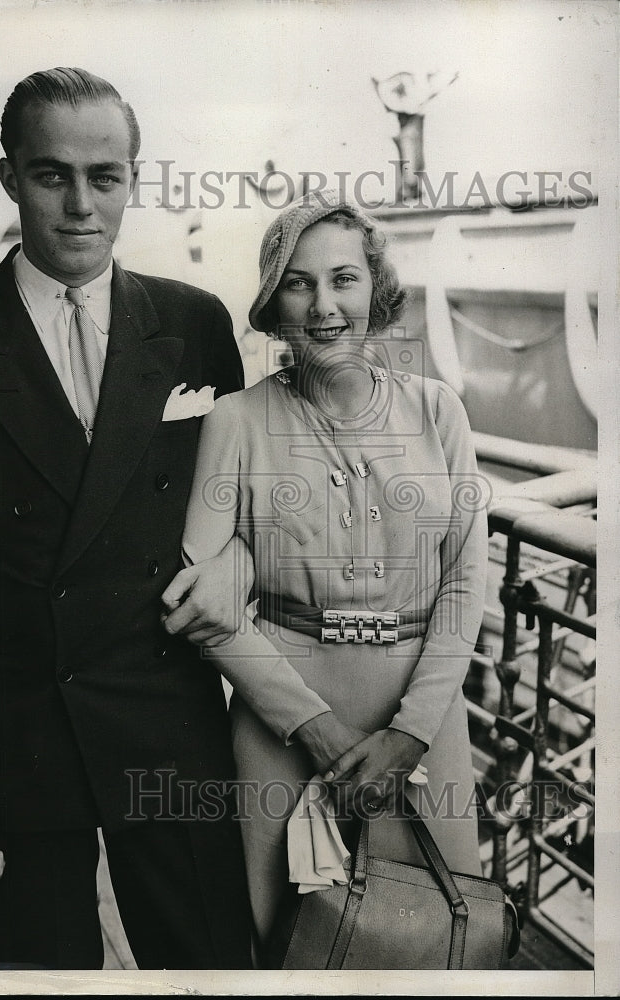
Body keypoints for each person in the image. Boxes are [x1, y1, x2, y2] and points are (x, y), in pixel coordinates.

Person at [0, 67, 254, 971]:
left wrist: (233, 567)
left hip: (169, 724)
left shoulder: (194, 322)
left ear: (133, 179)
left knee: (211, 971)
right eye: (52, 175)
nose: (81, 205)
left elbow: (242, 510)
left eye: (106, 177)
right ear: (11, 177)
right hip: (17, 740)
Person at [178, 188, 488, 962]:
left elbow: (463, 581)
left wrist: (412, 732)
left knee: (430, 938)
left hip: (421, 716)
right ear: (273, 302)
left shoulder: (436, 410)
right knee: (292, 945)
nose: (323, 306)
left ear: (374, 291)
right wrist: (309, 726)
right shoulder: (236, 423)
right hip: (281, 723)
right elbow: (198, 602)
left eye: (343, 279)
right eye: (299, 282)